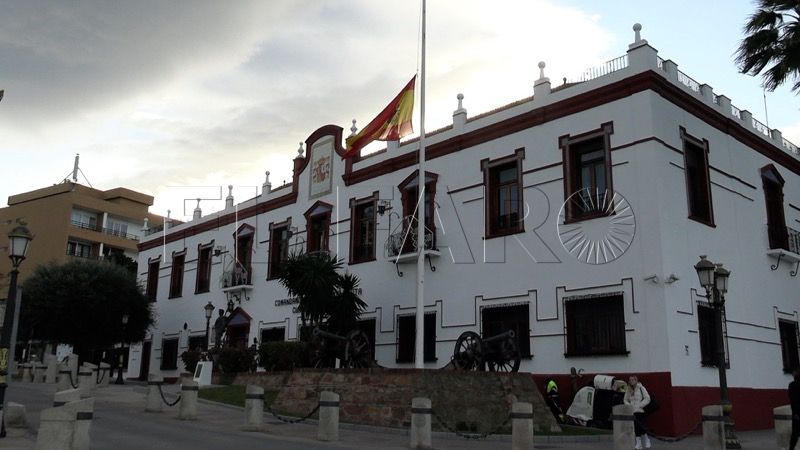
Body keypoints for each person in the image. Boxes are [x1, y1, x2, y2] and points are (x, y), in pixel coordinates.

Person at [624, 375, 651, 449]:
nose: (631, 381)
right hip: (632, 411)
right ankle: (639, 444)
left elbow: (647, 398)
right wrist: (629, 405)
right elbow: (625, 399)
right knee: (636, 427)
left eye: (633, 380)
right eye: (630, 380)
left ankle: (646, 439)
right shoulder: (628, 389)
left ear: (636, 380)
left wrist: (640, 405)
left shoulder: (641, 388)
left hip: (639, 411)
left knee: (640, 426)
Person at [790, 368, 800, 450]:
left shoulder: (792, 385)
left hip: (796, 413)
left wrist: (795, 413)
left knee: (795, 434)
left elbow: (792, 400)